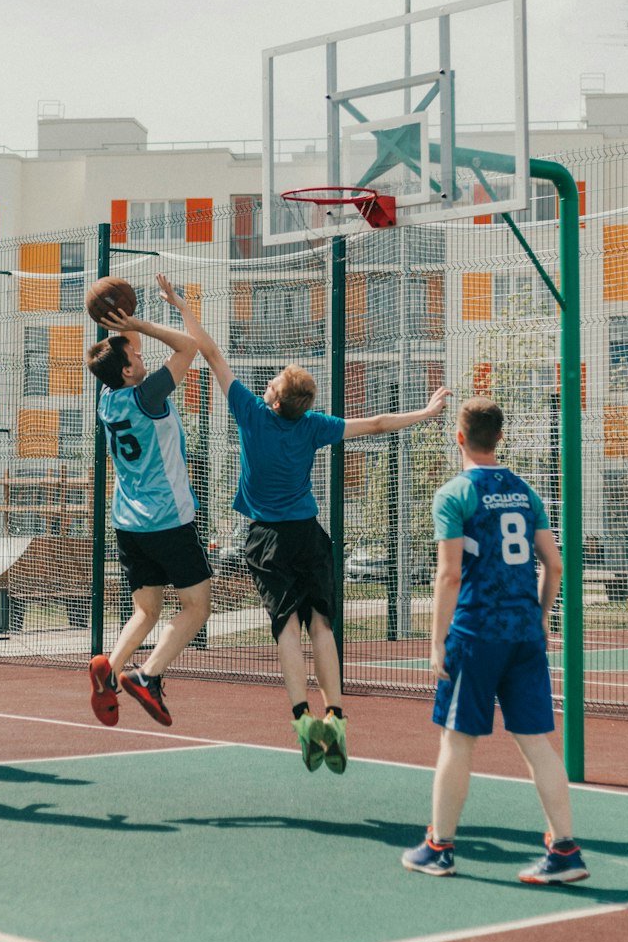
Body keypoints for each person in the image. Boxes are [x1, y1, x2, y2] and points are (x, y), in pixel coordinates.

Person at [158, 273, 451, 773]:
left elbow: (208, 353)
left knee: (286, 631)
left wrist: (180, 303)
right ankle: (335, 718)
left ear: (272, 399)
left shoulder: (252, 415)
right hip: (309, 536)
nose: (267, 382)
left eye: (271, 382)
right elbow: (378, 425)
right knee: (322, 626)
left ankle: (303, 723)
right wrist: (426, 412)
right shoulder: (313, 426)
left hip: (267, 539)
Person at [402, 397, 590, 883]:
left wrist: (437, 641)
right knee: (538, 745)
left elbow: (449, 575)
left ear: (459, 438)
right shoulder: (526, 492)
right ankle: (565, 850)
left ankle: (439, 846)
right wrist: (543, 615)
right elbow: (556, 564)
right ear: (499, 438)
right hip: (523, 632)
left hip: (476, 632)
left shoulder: (454, 494)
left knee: (457, 741)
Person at [84, 304, 212, 729]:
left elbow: (115, 358)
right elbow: (188, 347)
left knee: (147, 609)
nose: (143, 357)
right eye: (136, 356)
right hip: (166, 519)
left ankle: (110, 668)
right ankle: (148, 675)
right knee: (196, 606)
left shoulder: (106, 398)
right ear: (126, 372)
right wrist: (136, 324)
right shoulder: (146, 395)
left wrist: (118, 329)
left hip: (127, 522)